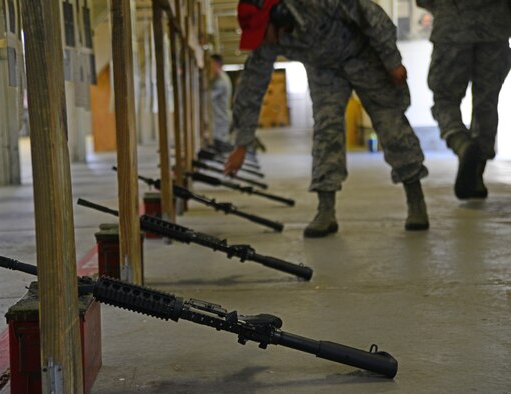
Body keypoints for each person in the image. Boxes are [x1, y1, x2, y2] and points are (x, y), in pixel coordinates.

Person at [224, 0, 430, 238]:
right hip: (323, 69)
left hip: (363, 56)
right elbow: (251, 87)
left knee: (391, 123)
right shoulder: (268, 40)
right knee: (326, 129)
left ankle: (416, 201)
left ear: (279, 16)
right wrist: (241, 143)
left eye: (262, 33)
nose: (264, 42)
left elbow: (371, 15)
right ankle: (326, 211)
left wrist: (392, 62)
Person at [416, 0, 511, 199]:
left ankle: (460, 142)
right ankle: (477, 175)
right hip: (495, 30)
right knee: (486, 102)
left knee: (445, 99)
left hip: (453, 28)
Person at [209, 53, 233, 150]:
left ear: (217, 64)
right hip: (219, 122)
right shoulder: (218, 79)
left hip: (219, 123)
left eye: (210, 64)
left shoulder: (221, 81)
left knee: (219, 148)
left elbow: (208, 97)